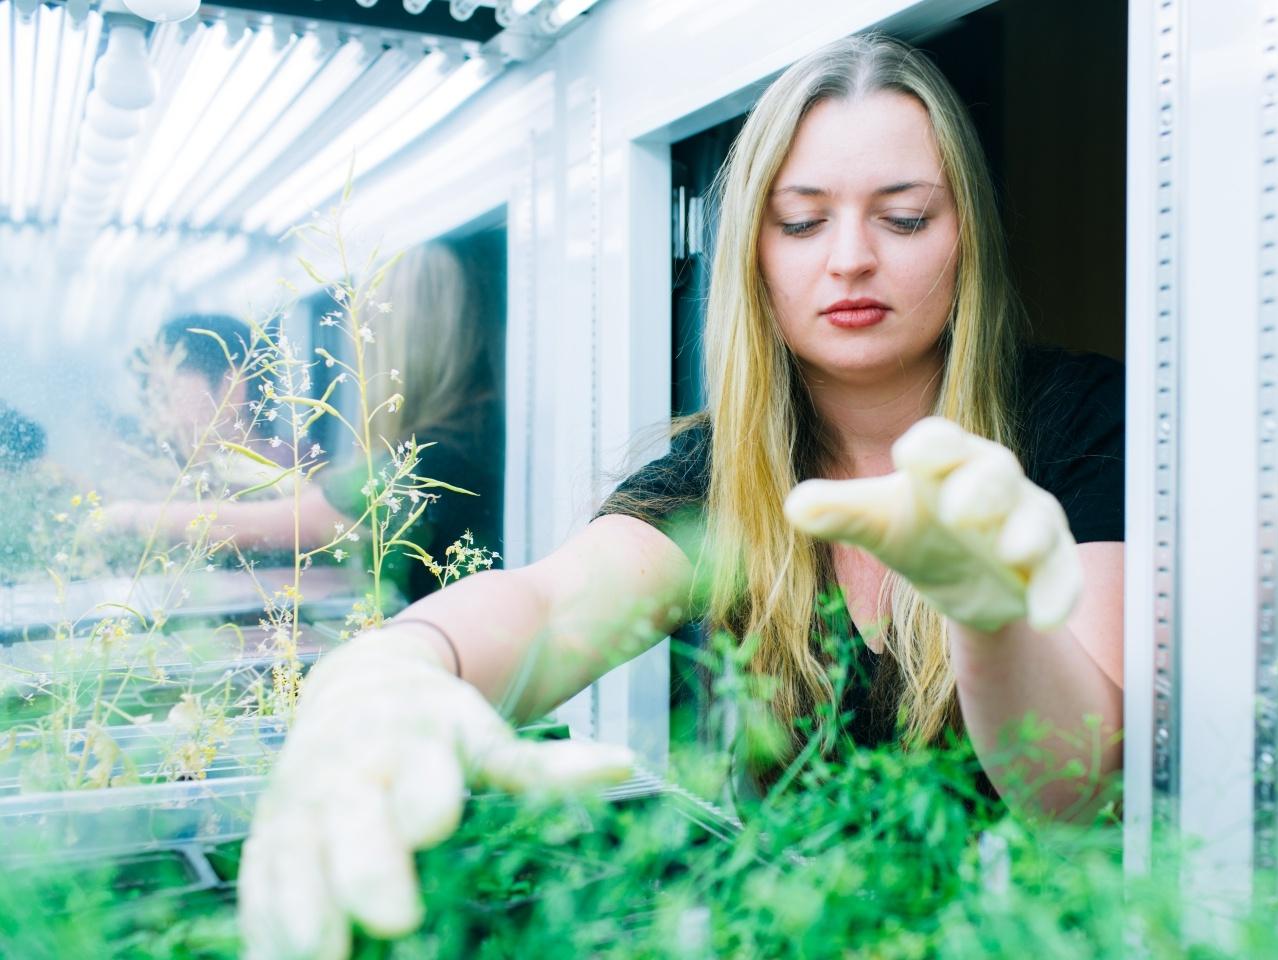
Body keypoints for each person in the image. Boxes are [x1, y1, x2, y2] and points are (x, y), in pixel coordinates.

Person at [238, 34, 1124, 959]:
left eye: (903, 219)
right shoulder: (723, 474)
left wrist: (989, 617)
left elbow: (1075, 787)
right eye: (801, 221)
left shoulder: (1082, 424)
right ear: (752, 252)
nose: (852, 258)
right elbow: (553, 602)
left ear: (966, 236)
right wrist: (396, 668)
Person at [106, 244, 503, 601]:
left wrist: (128, 516)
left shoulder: (423, 460)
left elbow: (292, 522)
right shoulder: (475, 439)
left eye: (365, 351)